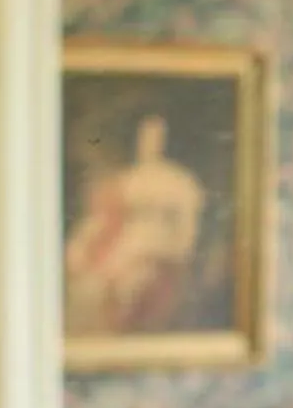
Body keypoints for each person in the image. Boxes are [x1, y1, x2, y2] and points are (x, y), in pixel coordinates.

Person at [64, 113, 209, 335]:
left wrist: (176, 259)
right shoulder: (126, 180)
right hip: (122, 250)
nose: (150, 142)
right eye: (146, 136)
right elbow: (102, 226)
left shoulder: (181, 182)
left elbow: (186, 229)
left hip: (159, 254)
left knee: (128, 287)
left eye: (157, 135)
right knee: (89, 289)